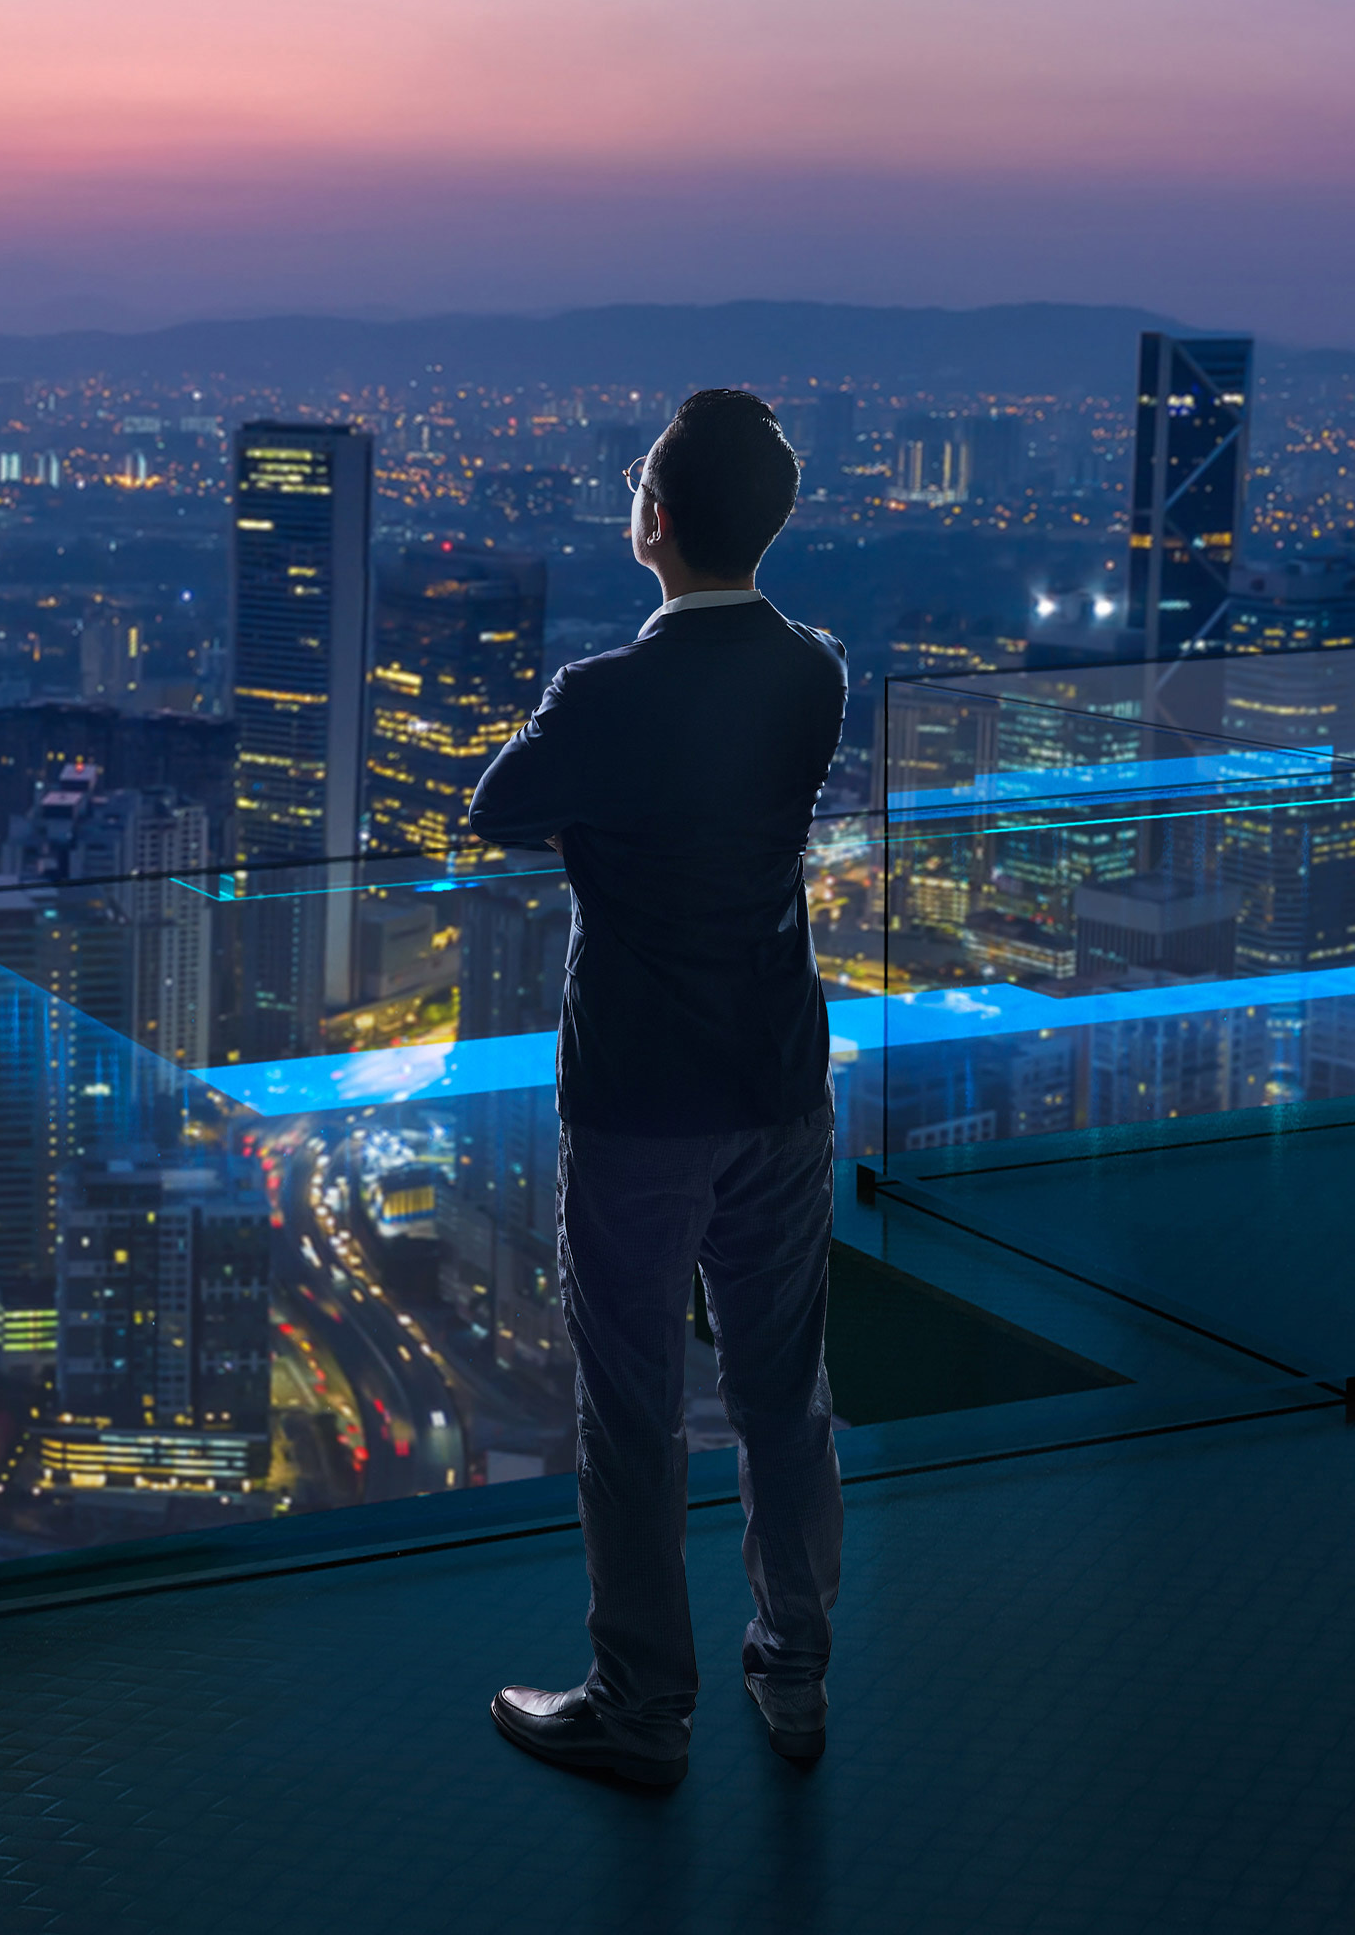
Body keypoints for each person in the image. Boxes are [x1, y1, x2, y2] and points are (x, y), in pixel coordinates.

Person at [466, 386, 849, 1790]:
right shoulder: (815, 673)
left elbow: (498, 806)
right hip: (779, 1081)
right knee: (780, 1387)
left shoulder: (608, 696)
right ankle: (794, 1668)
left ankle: (641, 1701)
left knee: (630, 1401)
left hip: (639, 1100)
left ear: (656, 521)